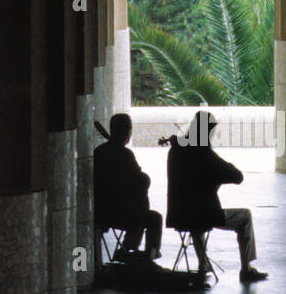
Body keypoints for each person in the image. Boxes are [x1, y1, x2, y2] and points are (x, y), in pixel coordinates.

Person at [167, 111, 268, 283]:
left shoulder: (175, 151)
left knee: (194, 218)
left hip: (178, 214)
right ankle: (246, 269)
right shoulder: (204, 154)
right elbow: (237, 176)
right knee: (245, 216)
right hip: (205, 215)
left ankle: (203, 262)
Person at [94, 113, 162, 261]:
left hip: (102, 211)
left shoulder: (99, 152)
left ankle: (129, 247)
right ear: (127, 132)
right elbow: (140, 181)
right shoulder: (125, 155)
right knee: (154, 218)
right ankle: (148, 254)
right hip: (121, 214)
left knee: (138, 206)